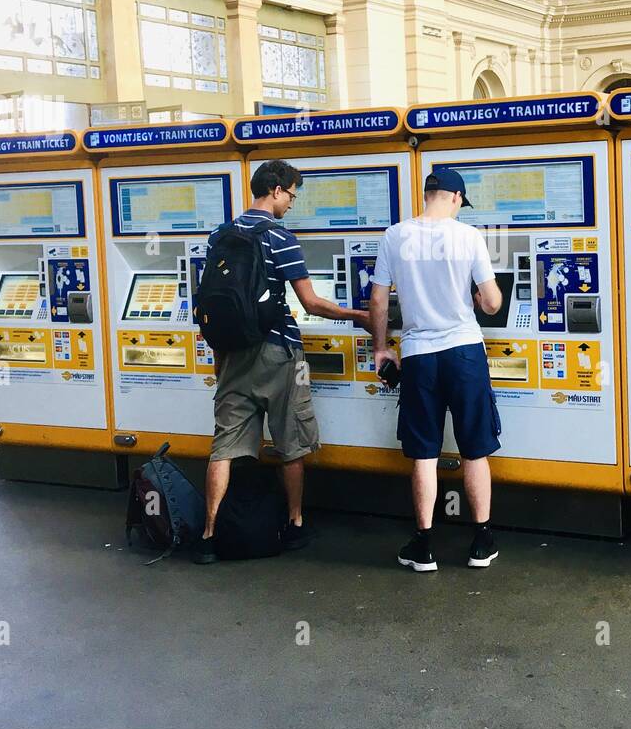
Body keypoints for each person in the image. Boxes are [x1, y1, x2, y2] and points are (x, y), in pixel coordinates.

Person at [194, 160, 369, 564]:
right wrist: (358, 316)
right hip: (279, 351)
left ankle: (209, 534)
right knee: (291, 441)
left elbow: (212, 300)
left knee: (225, 446)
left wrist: (221, 360)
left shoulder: (219, 235)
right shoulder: (280, 237)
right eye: (291, 194)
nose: (292, 202)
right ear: (275, 190)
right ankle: (294, 524)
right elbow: (311, 303)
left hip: (233, 352)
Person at [370, 168, 502, 573]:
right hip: (464, 352)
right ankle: (480, 541)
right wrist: (481, 300)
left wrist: (380, 348)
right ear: (457, 198)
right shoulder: (468, 236)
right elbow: (493, 302)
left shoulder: (394, 236)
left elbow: (378, 301)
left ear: (427, 194)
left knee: (424, 453)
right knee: (474, 448)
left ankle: (423, 545)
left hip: (419, 355)